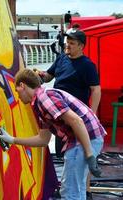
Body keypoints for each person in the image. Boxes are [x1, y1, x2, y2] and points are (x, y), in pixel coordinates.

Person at [0, 68, 106, 200]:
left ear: (22, 85)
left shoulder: (44, 98)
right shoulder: (39, 103)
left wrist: (89, 154)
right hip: (86, 138)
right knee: (75, 189)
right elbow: (43, 140)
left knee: (70, 192)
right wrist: (12, 139)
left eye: (16, 89)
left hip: (84, 139)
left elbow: (76, 121)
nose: (17, 95)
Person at [36, 29, 101, 199]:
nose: (67, 46)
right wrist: (39, 76)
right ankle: (72, 186)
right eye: (67, 42)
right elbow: (48, 77)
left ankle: (83, 190)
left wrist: (92, 114)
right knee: (65, 153)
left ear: (81, 46)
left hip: (76, 116)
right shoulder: (62, 59)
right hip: (60, 116)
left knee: (81, 155)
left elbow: (96, 90)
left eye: (72, 43)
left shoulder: (87, 65)